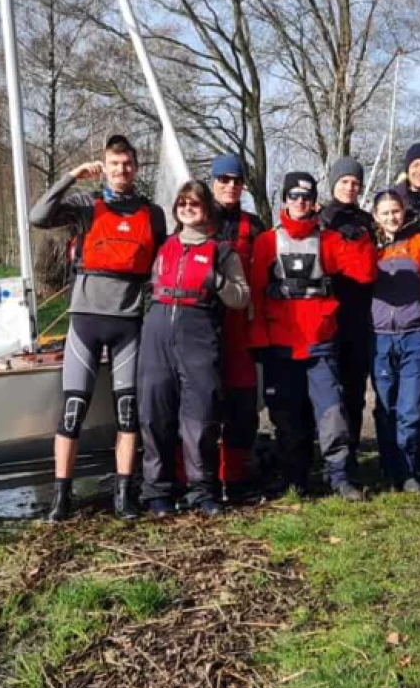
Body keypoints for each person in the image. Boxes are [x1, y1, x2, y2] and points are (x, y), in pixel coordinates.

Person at [29, 134, 168, 522]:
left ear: (136, 169)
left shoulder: (152, 214)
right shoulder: (87, 206)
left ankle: (124, 495)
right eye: (114, 164)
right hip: (86, 320)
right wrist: (73, 175)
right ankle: (62, 497)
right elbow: (38, 216)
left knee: (128, 413)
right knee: (72, 411)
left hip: (129, 324)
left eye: (128, 164)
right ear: (104, 168)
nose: (122, 170)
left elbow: (163, 262)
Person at [250, 171, 375, 501]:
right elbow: (255, 296)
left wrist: (358, 237)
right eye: (294, 196)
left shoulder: (328, 239)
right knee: (287, 417)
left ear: (314, 201)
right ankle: (295, 479)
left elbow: (363, 272)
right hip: (281, 345)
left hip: (320, 343)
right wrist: (260, 343)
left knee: (332, 413)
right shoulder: (267, 242)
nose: (300, 202)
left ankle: (339, 477)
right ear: (285, 199)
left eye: (306, 197)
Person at [138, 181, 250, 518]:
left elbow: (242, 298)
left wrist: (216, 280)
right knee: (154, 410)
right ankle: (158, 490)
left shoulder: (222, 252)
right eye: (182, 203)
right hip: (158, 328)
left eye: (195, 204)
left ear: (207, 210)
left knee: (200, 415)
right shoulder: (163, 246)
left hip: (198, 330)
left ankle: (201, 490)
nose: (188, 208)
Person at [368, 190, 420, 493]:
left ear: (404, 212)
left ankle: (409, 468)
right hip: (380, 340)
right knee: (385, 405)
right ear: (376, 216)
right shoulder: (371, 249)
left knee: (412, 407)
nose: (392, 217)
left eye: (396, 211)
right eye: (385, 213)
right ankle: (389, 468)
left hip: (416, 336)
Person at [208, 154, 267, 503]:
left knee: (243, 408)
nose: (231, 186)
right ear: (213, 182)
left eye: (237, 180)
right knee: (203, 407)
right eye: (224, 179)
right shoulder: (198, 219)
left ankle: (237, 477)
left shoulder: (254, 226)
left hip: (242, 331)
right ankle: (200, 479)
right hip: (204, 329)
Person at [321, 156, 375, 486]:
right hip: (330, 314)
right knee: (331, 390)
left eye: (355, 182)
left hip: (361, 314)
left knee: (356, 390)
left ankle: (351, 452)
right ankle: (330, 454)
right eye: (345, 181)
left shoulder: (368, 221)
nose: (350, 187)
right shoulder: (323, 218)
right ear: (334, 184)